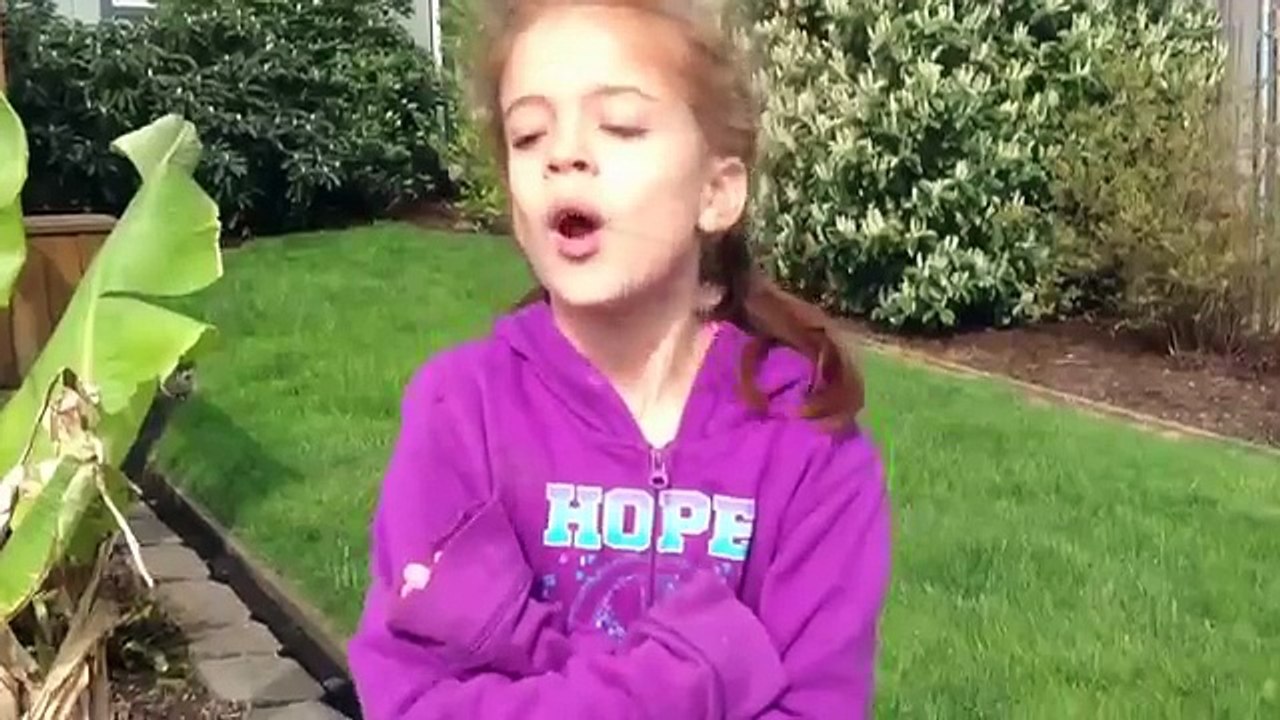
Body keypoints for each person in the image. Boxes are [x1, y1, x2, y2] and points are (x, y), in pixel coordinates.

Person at [346, 0, 893, 717]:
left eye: (621, 125)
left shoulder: (811, 448)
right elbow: (413, 697)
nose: (563, 154)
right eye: (529, 133)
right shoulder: (461, 410)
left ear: (717, 191)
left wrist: (533, 657)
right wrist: (704, 667)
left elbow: (815, 704)